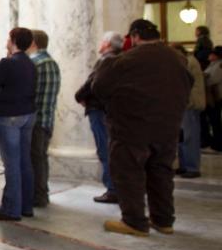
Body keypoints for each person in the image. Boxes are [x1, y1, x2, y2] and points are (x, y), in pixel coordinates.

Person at [92, 19, 191, 237]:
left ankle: (134, 221)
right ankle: (164, 220)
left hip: (132, 127)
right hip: (168, 127)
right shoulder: (178, 58)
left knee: (129, 172)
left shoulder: (127, 60)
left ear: (135, 36)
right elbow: (187, 86)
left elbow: (99, 86)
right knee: (162, 173)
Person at [0, 28, 36, 221]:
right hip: (28, 114)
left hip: (8, 115)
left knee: (11, 163)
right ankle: (26, 206)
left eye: (8, 38)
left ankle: (11, 209)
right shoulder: (30, 63)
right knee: (24, 161)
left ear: (13, 41)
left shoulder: (7, 63)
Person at [75, 31, 123, 204]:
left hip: (100, 110)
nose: (100, 44)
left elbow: (94, 83)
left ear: (108, 44)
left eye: (103, 41)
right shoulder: (120, 60)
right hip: (111, 110)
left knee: (105, 150)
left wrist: (79, 96)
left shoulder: (106, 60)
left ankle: (113, 189)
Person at [27, 29, 61, 208]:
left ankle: (37, 196)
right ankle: (43, 193)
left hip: (35, 121)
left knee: (35, 159)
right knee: (41, 158)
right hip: (48, 119)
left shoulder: (34, 63)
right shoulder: (53, 63)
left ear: (32, 43)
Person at [174, 44, 205, 178]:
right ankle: (184, 165)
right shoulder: (187, 61)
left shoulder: (188, 62)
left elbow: (183, 82)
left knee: (189, 137)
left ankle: (192, 167)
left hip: (190, 104)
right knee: (182, 137)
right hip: (185, 104)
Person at [204, 46, 222, 151]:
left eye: (211, 54)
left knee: (215, 120)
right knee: (213, 119)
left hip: (216, 96)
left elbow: (213, 80)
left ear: (216, 56)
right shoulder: (213, 65)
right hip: (212, 96)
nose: (209, 55)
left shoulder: (219, 65)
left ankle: (218, 142)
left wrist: (204, 77)